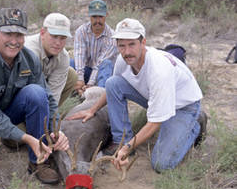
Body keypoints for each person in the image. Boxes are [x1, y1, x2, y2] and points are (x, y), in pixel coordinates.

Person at [67, 18, 207, 173]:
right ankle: (122, 140)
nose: (127, 51)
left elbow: (154, 122)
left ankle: (195, 125)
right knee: (113, 83)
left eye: (132, 44)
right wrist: (92, 110)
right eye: (122, 45)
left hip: (183, 106)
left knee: (162, 164)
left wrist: (127, 149)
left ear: (143, 42)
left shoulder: (159, 71)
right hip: (154, 97)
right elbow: (111, 89)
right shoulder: (123, 59)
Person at [0, 8, 69, 187]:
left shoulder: (29, 58)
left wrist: (57, 129)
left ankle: (37, 162)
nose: (14, 41)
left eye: (19, 35)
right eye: (8, 33)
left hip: (10, 108)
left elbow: (47, 96)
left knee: (36, 93)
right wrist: (27, 138)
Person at [24, 13, 77, 106]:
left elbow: (54, 94)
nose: (58, 43)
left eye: (62, 38)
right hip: (19, 95)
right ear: (42, 33)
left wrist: (50, 113)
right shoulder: (30, 50)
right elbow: (28, 88)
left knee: (71, 74)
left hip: (41, 90)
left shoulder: (63, 56)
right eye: (54, 36)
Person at [71, 0, 118, 96]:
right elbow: (79, 55)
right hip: (86, 71)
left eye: (100, 17)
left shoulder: (112, 36)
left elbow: (100, 63)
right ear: (89, 16)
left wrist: (90, 84)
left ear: (106, 16)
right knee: (70, 63)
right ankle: (73, 94)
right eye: (94, 17)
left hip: (103, 75)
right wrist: (80, 79)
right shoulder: (81, 31)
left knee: (107, 64)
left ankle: (100, 97)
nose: (97, 21)